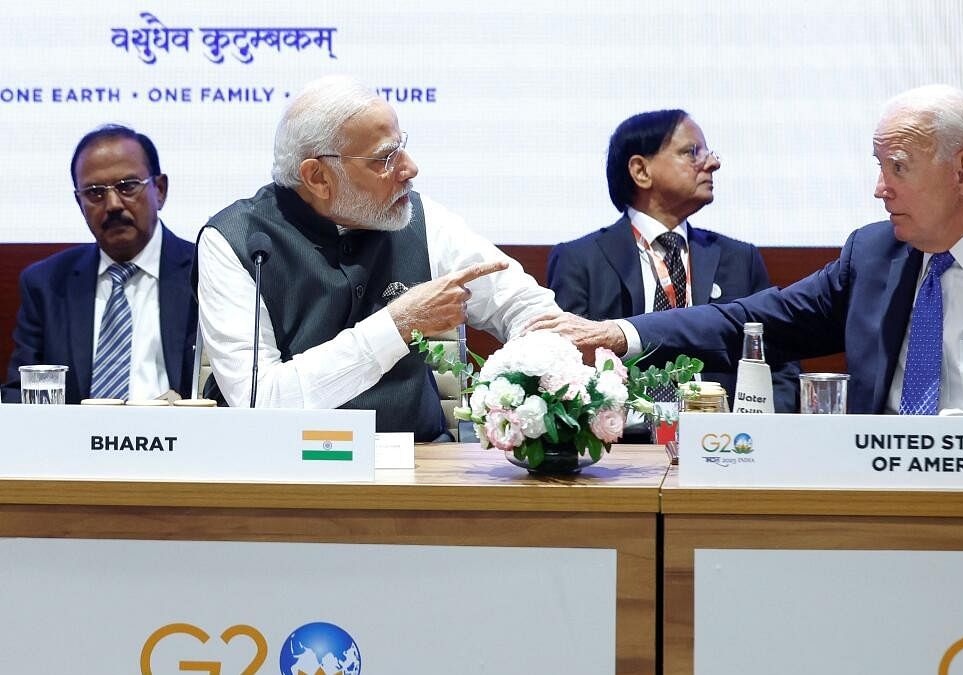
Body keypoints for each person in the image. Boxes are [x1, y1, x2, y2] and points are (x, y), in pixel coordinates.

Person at [530, 85, 963, 416]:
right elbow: (754, 319)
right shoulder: (873, 255)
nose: (880, 189)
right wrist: (620, 333)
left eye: (896, 168)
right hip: (869, 508)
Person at [196, 75, 560, 440]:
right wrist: (397, 325)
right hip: (285, 472)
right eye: (385, 158)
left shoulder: (419, 217)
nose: (410, 168)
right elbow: (259, 403)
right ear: (318, 177)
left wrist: (526, 381)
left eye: (401, 147)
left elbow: (525, 306)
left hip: (419, 468)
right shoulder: (235, 240)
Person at [546, 109, 801, 415]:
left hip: (727, 443)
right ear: (641, 170)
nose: (713, 162)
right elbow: (566, 368)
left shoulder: (739, 259)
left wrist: (762, 436)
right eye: (691, 152)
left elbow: (780, 365)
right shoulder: (580, 260)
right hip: (621, 448)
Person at [2, 124, 196, 404]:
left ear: (160, 190)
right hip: (71, 444)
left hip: (180, 441)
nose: (113, 204)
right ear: (79, 202)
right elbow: (18, 394)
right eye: (95, 192)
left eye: (128, 186)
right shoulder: (46, 284)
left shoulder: (203, 274)